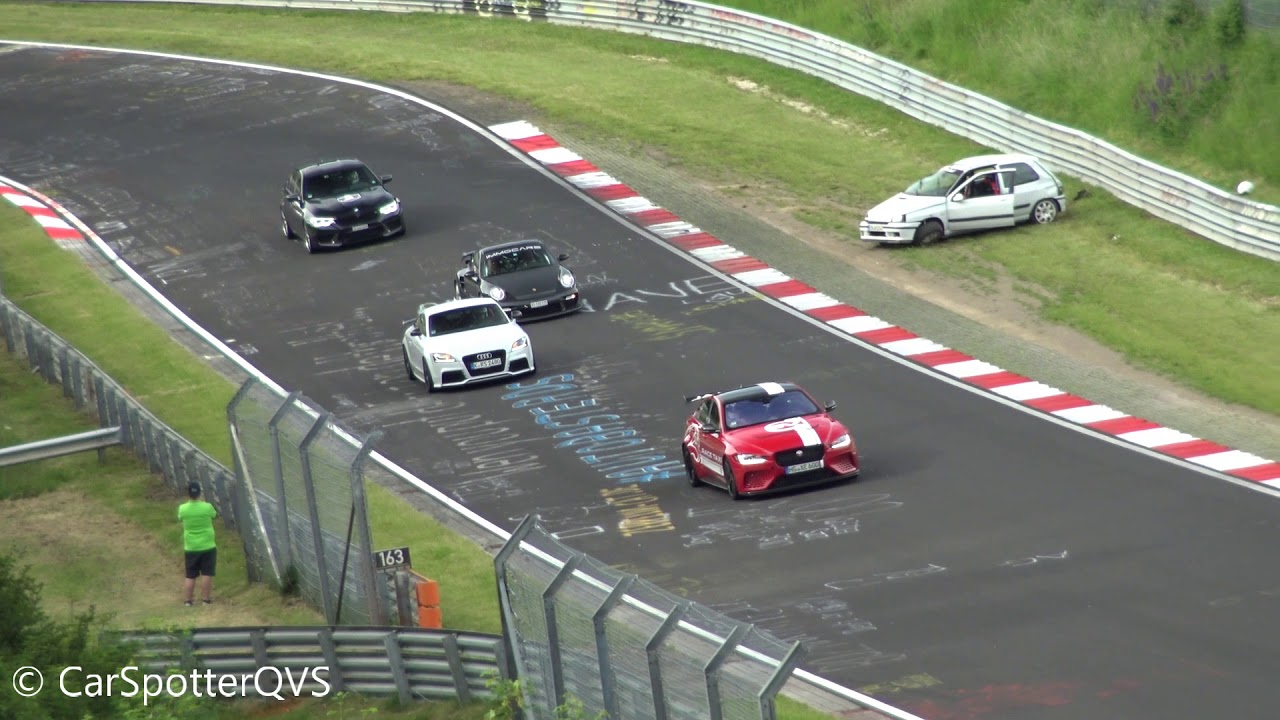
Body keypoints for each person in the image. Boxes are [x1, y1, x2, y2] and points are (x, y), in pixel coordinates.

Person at [178, 482, 218, 606]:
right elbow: (214, 515)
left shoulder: (183, 508)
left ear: (188, 494)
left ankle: (188, 601)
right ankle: (205, 599)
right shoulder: (207, 507)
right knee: (207, 573)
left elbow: (180, 518)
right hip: (207, 545)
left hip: (191, 547)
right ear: (199, 493)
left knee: (190, 575)